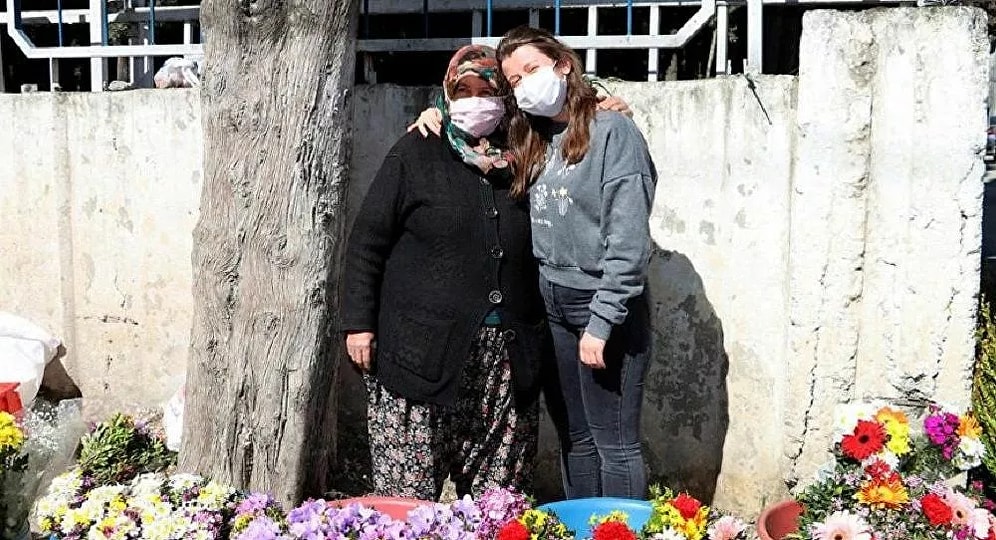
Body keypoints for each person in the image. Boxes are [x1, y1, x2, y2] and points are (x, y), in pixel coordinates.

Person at [341, 45, 548, 501]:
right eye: (464, 90)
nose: (475, 101)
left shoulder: (527, 151)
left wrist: (604, 100)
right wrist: (358, 324)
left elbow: (570, 101)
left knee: (499, 505)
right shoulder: (416, 149)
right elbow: (367, 242)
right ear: (447, 94)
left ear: (506, 97)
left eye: (486, 90)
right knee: (407, 506)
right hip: (419, 352)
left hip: (506, 360)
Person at [496, 26, 657, 500]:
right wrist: (431, 113)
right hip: (554, 303)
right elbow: (469, 114)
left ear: (562, 64)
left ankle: (623, 531)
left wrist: (602, 321)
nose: (524, 85)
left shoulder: (614, 132)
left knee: (615, 443)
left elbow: (628, 242)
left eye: (532, 70)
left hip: (602, 305)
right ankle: (582, 528)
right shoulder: (533, 137)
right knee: (576, 438)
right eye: (514, 81)